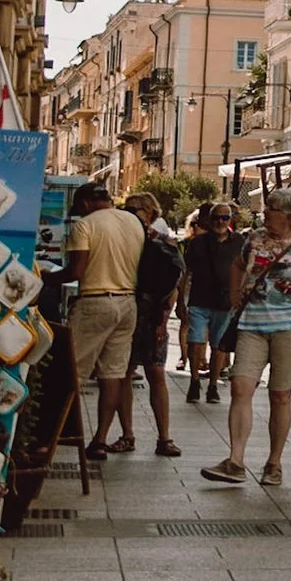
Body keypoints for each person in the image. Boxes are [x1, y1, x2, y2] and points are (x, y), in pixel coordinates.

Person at [203, 188, 291, 487]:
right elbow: (237, 265)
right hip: (252, 324)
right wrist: (234, 294)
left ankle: (274, 463)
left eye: (270, 208)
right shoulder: (255, 238)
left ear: (289, 215)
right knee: (240, 387)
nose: (264, 213)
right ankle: (235, 460)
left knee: (280, 396)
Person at [64, 182, 144, 462]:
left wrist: (43, 277)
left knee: (72, 369)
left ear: (85, 204)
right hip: (126, 303)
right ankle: (100, 439)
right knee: (113, 374)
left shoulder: (85, 226)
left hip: (94, 302)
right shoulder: (133, 221)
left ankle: (56, 432)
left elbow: (76, 272)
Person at [117, 192, 186, 457]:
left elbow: (173, 284)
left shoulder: (162, 244)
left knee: (156, 373)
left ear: (150, 212)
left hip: (151, 315)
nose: (131, 213)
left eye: (137, 209)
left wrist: (164, 318)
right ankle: (127, 434)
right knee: (123, 372)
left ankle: (164, 437)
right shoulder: (125, 241)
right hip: (128, 311)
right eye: (128, 208)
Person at [181, 202, 243, 402]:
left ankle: (213, 385)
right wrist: (181, 301)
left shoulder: (239, 242)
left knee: (219, 345)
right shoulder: (197, 243)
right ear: (209, 220)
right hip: (200, 299)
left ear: (230, 219)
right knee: (195, 341)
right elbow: (186, 272)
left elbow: (245, 271)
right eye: (216, 218)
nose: (220, 222)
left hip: (225, 301)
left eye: (225, 218)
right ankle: (194, 380)